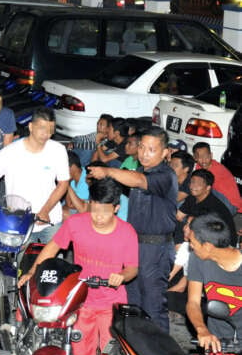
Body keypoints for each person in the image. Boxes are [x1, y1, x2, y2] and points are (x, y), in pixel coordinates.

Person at [22, 177, 138, 355]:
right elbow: (53, 247)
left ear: (116, 208)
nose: (98, 217)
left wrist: (122, 276)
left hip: (111, 305)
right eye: (94, 210)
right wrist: (33, 271)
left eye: (104, 213)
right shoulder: (76, 223)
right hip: (80, 301)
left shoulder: (127, 232)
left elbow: (133, 268)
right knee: (82, 353)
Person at [87, 126, 177, 332]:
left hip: (155, 249)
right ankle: (136, 351)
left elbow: (139, 181)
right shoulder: (139, 171)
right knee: (132, 302)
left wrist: (108, 170)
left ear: (165, 153)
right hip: (134, 246)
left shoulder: (165, 175)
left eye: (152, 149)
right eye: (142, 147)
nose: (144, 153)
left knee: (153, 307)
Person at [0, 107, 71, 244]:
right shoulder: (10, 152)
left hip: (51, 220)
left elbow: (63, 183)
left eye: (51, 129)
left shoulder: (58, 151)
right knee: (19, 263)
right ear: (31, 127)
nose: (46, 134)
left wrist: (45, 211)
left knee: (50, 264)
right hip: (18, 223)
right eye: (42, 128)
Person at [186, 213, 242, 353]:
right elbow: (193, 302)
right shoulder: (197, 259)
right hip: (217, 341)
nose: (191, 246)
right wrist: (201, 329)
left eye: (193, 242)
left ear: (208, 246)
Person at [179, 169, 237, 240]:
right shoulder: (193, 197)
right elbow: (178, 216)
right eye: (192, 182)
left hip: (221, 243)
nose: (193, 186)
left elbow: (208, 235)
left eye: (199, 184)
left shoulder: (213, 208)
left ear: (208, 188)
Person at [193, 142, 242, 215]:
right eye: (200, 157)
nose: (203, 160)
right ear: (195, 158)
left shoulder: (217, 169)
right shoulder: (199, 167)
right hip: (219, 200)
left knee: (201, 188)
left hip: (230, 205)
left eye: (206, 156)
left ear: (211, 155)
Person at [64, 151, 90, 216]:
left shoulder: (86, 179)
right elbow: (68, 204)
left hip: (84, 211)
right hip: (75, 207)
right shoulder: (73, 177)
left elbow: (71, 205)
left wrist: (67, 183)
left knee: (64, 213)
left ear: (72, 167)